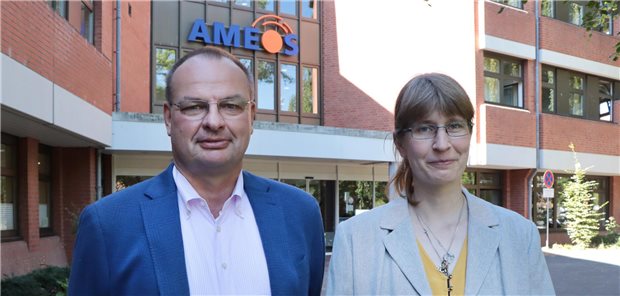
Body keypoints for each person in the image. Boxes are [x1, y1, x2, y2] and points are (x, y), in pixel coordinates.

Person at [69, 46, 325, 295]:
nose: (214, 122)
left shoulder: (300, 213)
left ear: (251, 116)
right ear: (168, 118)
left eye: (231, 106)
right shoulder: (108, 224)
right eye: (194, 107)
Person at [326, 73, 554, 295]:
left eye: (454, 126)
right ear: (401, 144)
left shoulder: (520, 235)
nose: (442, 144)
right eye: (424, 129)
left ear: (469, 133)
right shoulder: (356, 241)